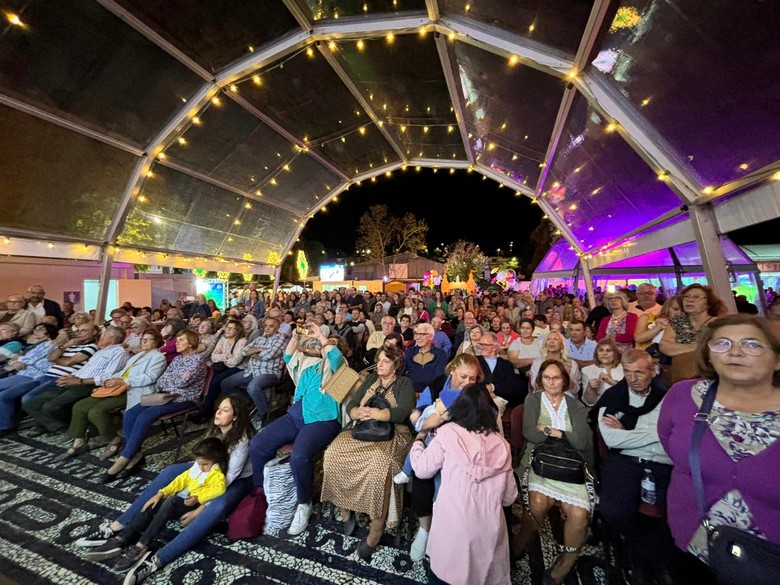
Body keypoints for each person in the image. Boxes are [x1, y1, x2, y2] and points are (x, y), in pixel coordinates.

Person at [79, 393, 255, 585]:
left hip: (235, 480)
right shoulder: (215, 430)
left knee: (218, 505)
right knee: (170, 472)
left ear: (236, 417)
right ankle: (119, 527)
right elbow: (198, 467)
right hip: (209, 469)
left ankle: (158, 559)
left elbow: (224, 481)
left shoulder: (241, 441)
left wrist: (198, 509)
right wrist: (166, 492)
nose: (218, 413)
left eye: (225, 410)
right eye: (219, 408)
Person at [658, 314, 780, 581]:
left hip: (769, 558)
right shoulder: (682, 396)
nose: (735, 351)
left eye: (752, 344)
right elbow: (671, 445)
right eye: (722, 343)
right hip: (693, 541)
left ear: (777, 359)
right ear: (709, 355)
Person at [410, 383, 517, 585]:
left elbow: (422, 469)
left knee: (443, 576)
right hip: (489, 530)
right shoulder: (502, 445)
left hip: (453, 526)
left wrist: (418, 442)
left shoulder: (448, 433)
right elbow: (509, 498)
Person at [248, 323, 346, 537]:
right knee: (257, 445)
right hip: (296, 416)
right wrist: (295, 336)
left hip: (323, 419)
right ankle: (262, 493)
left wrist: (322, 336)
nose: (324, 346)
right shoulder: (307, 365)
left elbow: (336, 358)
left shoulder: (337, 368)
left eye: (331, 344)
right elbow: (288, 356)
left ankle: (304, 503)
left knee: (300, 456)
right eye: (323, 344)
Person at [320, 346, 415, 561]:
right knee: (333, 454)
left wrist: (379, 414)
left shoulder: (404, 383)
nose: (379, 364)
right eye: (379, 360)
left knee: (381, 465)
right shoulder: (371, 379)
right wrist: (356, 412)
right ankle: (346, 509)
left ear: (396, 366)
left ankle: (376, 530)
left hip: (392, 433)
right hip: (363, 429)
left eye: (385, 361)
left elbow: (405, 411)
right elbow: (353, 403)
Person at [593, 348, 674, 583]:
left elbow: (673, 437)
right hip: (625, 461)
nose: (632, 378)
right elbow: (612, 439)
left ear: (653, 371)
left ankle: (652, 560)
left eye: (638, 372)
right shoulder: (613, 397)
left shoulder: (667, 398)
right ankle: (646, 558)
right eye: (627, 372)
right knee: (612, 511)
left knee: (676, 512)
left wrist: (629, 433)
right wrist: (656, 434)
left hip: (662, 462)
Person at [512, 359, 594, 585]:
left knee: (579, 515)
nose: (551, 382)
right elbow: (530, 433)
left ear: (564, 380)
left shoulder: (575, 405)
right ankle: (518, 545)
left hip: (570, 464)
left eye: (556, 378)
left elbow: (581, 441)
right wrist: (566, 434)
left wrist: (551, 431)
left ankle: (565, 563)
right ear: (540, 380)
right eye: (546, 378)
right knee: (537, 504)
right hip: (539, 459)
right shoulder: (533, 399)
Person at [93, 437, 228, 574]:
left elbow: (219, 490)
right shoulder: (198, 468)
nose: (201, 467)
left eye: (205, 464)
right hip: (182, 500)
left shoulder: (216, 474)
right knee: (154, 503)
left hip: (192, 505)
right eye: (199, 464)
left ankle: (142, 545)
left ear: (216, 460)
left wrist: (199, 498)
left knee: (171, 501)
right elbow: (180, 481)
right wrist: (161, 493)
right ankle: (123, 537)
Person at [405, 352, 483, 561]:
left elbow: (487, 418)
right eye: (463, 377)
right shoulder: (438, 383)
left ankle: (445, 530)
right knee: (422, 475)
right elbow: (419, 410)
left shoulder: (478, 392)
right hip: (433, 439)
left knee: (451, 482)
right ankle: (425, 529)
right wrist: (419, 418)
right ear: (453, 370)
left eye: (472, 378)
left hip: (463, 446)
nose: (467, 383)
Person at [101, 329, 208, 483]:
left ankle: (124, 458)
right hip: (165, 396)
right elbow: (161, 381)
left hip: (185, 399)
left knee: (146, 416)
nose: (176, 343)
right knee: (130, 413)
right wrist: (173, 381)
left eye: (181, 340)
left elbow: (183, 383)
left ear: (191, 343)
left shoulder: (197, 360)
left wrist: (172, 381)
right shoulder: (178, 359)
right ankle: (136, 454)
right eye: (177, 340)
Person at [61, 329, 167, 461]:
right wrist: (110, 379)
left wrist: (124, 381)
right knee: (80, 406)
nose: (143, 342)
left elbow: (149, 377)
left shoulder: (158, 357)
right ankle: (79, 441)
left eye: (147, 340)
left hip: (134, 390)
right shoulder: (138, 355)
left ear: (156, 342)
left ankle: (113, 439)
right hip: (118, 387)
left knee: (96, 411)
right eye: (142, 339)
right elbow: (123, 372)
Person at [22, 326, 128, 436]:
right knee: (30, 403)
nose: (101, 337)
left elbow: (108, 377)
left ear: (113, 339)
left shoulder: (120, 353)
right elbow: (82, 368)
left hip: (87, 385)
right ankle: (58, 427)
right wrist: (69, 377)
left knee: (51, 407)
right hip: (73, 380)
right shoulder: (101, 352)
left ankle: (66, 429)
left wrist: (79, 381)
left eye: (104, 335)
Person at [220, 316, 287, 420]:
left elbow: (268, 355)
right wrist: (259, 349)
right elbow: (244, 351)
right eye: (265, 325)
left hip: (269, 372)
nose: (267, 328)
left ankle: (264, 414)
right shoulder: (260, 338)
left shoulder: (281, 338)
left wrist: (253, 353)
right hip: (251, 370)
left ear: (278, 328)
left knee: (253, 387)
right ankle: (246, 403)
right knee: (225, 383)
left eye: (271, 326)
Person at [659, 284, 727, 385]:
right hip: (681, 376)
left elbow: (721, 348)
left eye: (696, 297)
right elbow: (664, 346)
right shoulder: (677, 322)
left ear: (709, 303)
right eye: (686, 297)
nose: (689, 300)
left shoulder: (719, 323)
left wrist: (678, 348)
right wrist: (699, 346)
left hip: (714, 377)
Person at [0, 322, 58, 435]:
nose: (36, 330)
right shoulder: (37, 344)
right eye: (35, 328)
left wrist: (9, 355)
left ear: (48, 332)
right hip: (25, 373)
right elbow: (24, 359)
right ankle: (5, 424)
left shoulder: (49, 344)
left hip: (32, 375)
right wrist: (15, 361)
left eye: (40, 329)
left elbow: (28, 360)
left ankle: (5, 426)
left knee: (3, 394)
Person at [477, 331, 527, 408]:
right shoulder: (474, 361)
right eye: (480, 344)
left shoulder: (506, 364)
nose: (482, 347)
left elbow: (511, 385)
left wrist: (493, 387)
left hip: (500, 399)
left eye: (485, 345)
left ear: (495, 347)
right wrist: (485, 391)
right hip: (479, 398)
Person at [528, 331, 581, 396]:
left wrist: (567, 377)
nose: (551, 341)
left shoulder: (572, 364)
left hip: (565, 397)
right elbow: (535, 386)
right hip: (542, 396)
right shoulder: (538, 362)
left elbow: (575, 390)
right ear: (545, 344)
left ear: (562, 345)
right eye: (548, 339)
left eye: (555, 339)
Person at [404, 322, 448, 395]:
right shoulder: (409, 352)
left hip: (431, 393)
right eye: (416, 334)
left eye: (421, 334)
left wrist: (426, 394)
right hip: (409, 392)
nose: (418, 337)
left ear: (431, 336)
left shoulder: (440, 353)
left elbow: (439, 377)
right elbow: (402, 372)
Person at [580, 338, 624, 408]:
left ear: (615, 353)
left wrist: (613, 382)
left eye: (608, 350)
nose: (604, 353)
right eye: (601, 350)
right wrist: (590, 388)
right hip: (600, 409)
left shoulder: (624, 368)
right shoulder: (587, 370)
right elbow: (589, 402)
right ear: (596, 353)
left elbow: (631, 393)